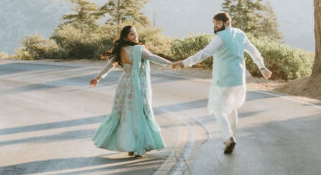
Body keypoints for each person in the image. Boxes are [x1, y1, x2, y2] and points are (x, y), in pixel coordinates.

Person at [171, 12, 272, 154]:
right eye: (214, 23)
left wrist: (184, 63)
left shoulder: (219, 38)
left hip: (223, 79)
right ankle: (231, 138)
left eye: (218, 23)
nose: (215, 26)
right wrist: (262, 67)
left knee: (218, 109)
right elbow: (253, 51)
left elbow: (204, 53)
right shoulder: (240, 34)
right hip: (238, 79)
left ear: (227, 23)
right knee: (232, 109)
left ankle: (228, 137)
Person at [89, 25, 172, 157]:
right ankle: (138, 145)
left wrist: (98, 78)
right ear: (125, 37)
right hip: (137, 84)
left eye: (136, 33)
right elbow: (154, 58)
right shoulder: (139, 50)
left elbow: (109, 65)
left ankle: (131, 146)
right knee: (139, 113)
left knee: (126, 114)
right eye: (132, 34)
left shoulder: (120, 50)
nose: (136, 36)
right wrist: (172, 63)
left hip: (124, 83)